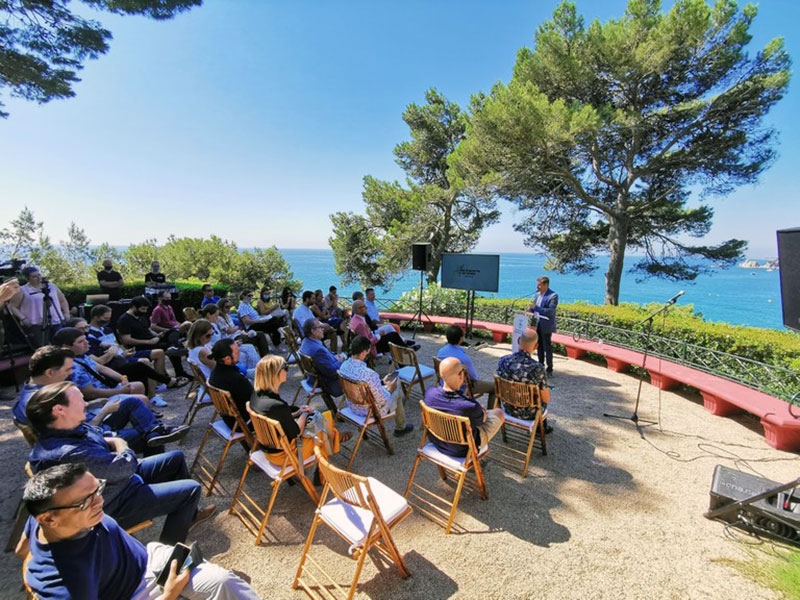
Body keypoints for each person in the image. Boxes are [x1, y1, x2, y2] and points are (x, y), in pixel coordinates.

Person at [19, 463, 260, 600]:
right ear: (49, 519)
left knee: (225, 583)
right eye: (85, 501)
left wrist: (29, 575)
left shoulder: (41, 518)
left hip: (148, 558)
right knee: (223, 584)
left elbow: (23, 551)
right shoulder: (67, 585)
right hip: (137, 591)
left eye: (98, 489)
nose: (100, 501)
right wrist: (168, 595)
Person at [26, 382, 213, 544]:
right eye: (80, 400)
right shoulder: (70, 453)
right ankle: (168, 554)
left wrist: (113, 443)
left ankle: (190, 516)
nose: (85, 403)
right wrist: (120, 444)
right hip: (114, 502)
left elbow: (100, 435)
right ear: (59, 410)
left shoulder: (67, 429)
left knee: (176, 458)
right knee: (191, 490)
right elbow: (124, 467)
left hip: (117, 480)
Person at [251, 355, 348, 479]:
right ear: (274, 374)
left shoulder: (256, 396)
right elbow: (296, 432)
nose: (287, 370)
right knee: (321, 425)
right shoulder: (276, 405)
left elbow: (276, 419)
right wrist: (304, 413)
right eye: (285, 367)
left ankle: (335, 438)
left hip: (269, 449)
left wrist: (296, 413)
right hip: (286, 454)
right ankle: (323, 470)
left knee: (321, 420)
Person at [423, 356, 505, 458]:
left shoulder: (429, 394)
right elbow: (482, 421)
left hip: (438, 442)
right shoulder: (469, 406)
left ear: (440, 375)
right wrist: (482, 411)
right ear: (461, 375)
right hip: (464, 450)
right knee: (499, 413)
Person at [338, 335, 414, 437]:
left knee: (390, 386)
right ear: (364, 352)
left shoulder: (343, 366)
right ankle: (401, 427)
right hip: (369, 411)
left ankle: (398, 407)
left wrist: (381, 382)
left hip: (352, 405)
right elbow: (382, 401)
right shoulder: (369, 374)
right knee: (397, 386)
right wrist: (390, 389)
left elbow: (365, 386)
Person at [116, 296, 189, 379]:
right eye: (143, 309)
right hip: (142, 345)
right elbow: (127, 340)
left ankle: (173, 347)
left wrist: (157, 335)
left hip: (153, 339)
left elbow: (148, 329)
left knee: (173, 331)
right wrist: (149, 342)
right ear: (133, 307)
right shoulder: (124, 320)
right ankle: (176, 371)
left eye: (146, 309)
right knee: (173, 345)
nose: (145, 311)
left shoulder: (141, 316)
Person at [496, 327, 553, 433]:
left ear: (518, 340)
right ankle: (540, 429)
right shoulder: (538, 368)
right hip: (529, 414)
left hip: (508, 408)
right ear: (536, 346)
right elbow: (546, 399)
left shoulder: (503, 361)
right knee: (543, 395)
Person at [9, 266, 70, 347]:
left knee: (62, 344)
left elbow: (62, 300)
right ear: (28, 278)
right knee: (43, 346)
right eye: (34, 276)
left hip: (56, 320)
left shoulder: (51, 286)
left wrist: (66, 313)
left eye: (39, 275)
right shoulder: (23, 290)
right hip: (37, 323)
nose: (38, 278)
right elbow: (13, 306)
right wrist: (23, 318)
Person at [436, 324, 496, 408]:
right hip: (462, 388)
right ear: (461, 339)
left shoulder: (441, 352)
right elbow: (474, 377)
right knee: (494, 387)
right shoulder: (464, 358)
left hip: (444, 383)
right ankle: (490, 413)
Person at [299, 318, 345, 415]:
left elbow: (326, 357)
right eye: (320, 327)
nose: (323, 329)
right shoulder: (317, 349)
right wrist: (341, 361)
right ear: (313, 331)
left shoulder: (307, 342)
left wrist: (334, 356)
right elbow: (332, 372)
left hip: (314, 378)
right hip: (329, 383)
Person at [207, 338, 253, 430]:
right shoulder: (236, 378)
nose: (239, 353)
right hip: (244, 423)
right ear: (227, 359)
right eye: (236, 352)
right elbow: (255, 401)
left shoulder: (215, 373)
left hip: (230, 420)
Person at [349, 299, 416, 357]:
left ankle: (403, 353)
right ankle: (405, 351)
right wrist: (379, 335)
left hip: (372, 339)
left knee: (392, 334)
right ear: (358, 309)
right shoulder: (360, 324)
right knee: (394, 336)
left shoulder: (356, 318)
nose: (366, 308)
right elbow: (368, 342)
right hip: (372, 347)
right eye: (364, 307)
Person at [529, 275, 558, 375]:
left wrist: (536, 308)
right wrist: (529, 310)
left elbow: (550, 311)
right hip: (536, 324)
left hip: (546, 325)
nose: (538, 287)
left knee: (547, 347)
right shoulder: (537, 294)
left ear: (546, 285)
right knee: (539, 346)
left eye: (540, 285)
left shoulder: (553, 296)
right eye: (537, 285)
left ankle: (550, 368)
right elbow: (534, 308)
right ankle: (540, 365)